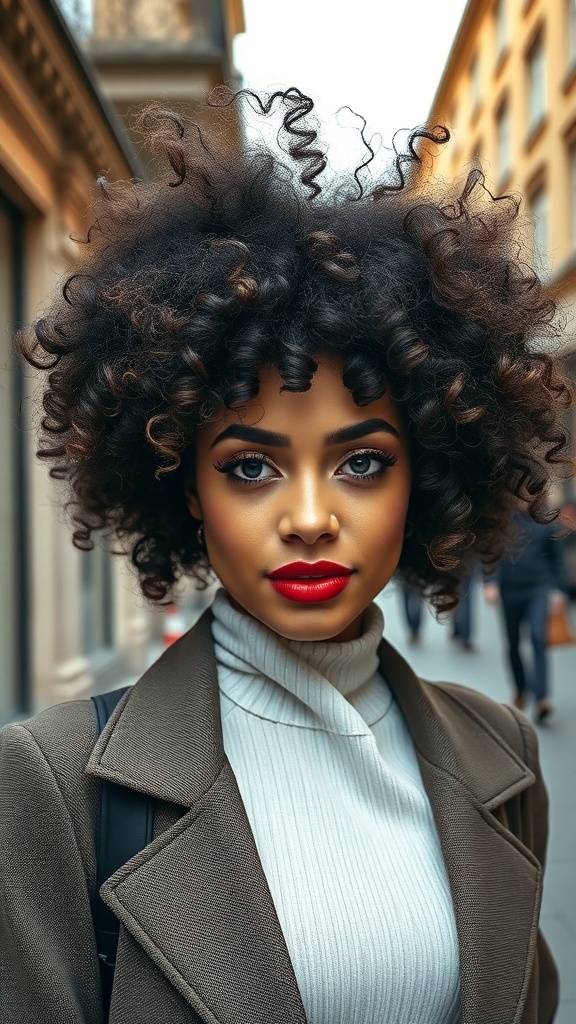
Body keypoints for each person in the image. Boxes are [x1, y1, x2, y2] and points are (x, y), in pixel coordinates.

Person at [0, 89, 570, 1024]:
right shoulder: (52, 785)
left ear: (424, 476)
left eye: (363, 462)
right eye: (253, 465)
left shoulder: (500, 755)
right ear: (186, 486)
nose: (309, 517)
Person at [484, 510, 570, 722]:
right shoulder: (501, 521)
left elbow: (556, 559)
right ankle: (521, 689)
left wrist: (560, 589)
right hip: (509, 590)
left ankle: (541, 698)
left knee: (538, 637)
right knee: (513, 642)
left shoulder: (546, 522)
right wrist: (489, 582)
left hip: (538, 589)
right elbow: (488, 553)